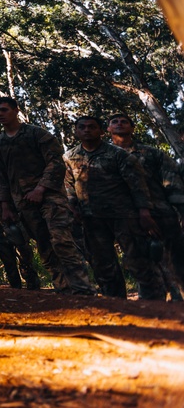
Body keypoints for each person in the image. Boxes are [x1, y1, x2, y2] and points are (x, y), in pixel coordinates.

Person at [0, 97, 93, 295]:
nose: (0, 114)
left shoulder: (37, 134)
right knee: (44, 247)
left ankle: (83, 289)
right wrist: (4, 205)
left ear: (16, 110)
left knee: (61, 240)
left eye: (4, 110)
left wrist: (41, 189)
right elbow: (1, 179)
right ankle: (64, 289)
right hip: (23, 204)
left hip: (50, 197)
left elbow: (55, 163)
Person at [64, 115, 162, 299]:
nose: (87, 130)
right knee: (103, 265)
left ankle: (153, 304)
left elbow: (137, 185)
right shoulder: (69, 157)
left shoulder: (118, 154)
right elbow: (69, 186)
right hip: (91, 219)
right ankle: (116, 304)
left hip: (124, 216)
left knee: (138, 260)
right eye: (82, 127)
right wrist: (72, 207)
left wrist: (144, 211)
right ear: (76, 132)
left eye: (92, 127)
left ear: (101, 131)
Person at [107, 114, 184, 299]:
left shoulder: (152, 153)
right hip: (126, 217)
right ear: (108, 129)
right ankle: (150, 303)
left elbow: (171, 181)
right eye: (114, 122)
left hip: (162, 212)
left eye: (124, 121)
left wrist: (180, 210)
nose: (119, 124)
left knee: (176, 257)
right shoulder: (103, 156)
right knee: (138, 260)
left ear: (133, 128)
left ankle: (179, 297)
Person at [0, 169, 40, 289]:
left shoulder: (9, 191)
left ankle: (32, 285)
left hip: (16, 229)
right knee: (8, 262)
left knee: (25, 259)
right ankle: (15, 287)